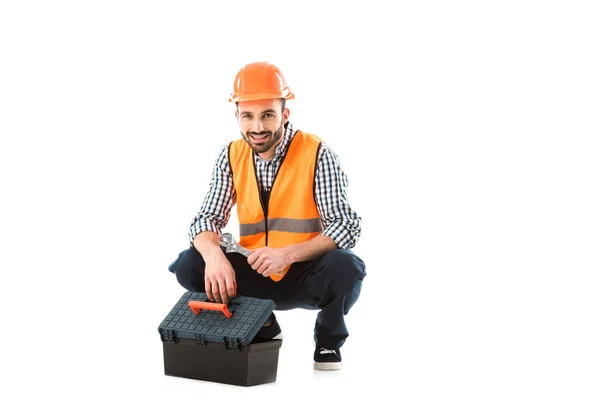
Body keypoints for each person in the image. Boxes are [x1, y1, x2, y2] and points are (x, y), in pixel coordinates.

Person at [167, 61, 366, 371]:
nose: (257, 127)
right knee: (190, 262)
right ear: (237, 116)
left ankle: (328, 341)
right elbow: (205, 219)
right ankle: (262, 324)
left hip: (304, 273)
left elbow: (346, 225)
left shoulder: (316, 152)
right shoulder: (230, 155)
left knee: (347, 266)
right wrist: (215, 256)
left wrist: (287, 254)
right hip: (253, 271)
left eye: (267, 115)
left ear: (284, 115)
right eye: (248, 116)